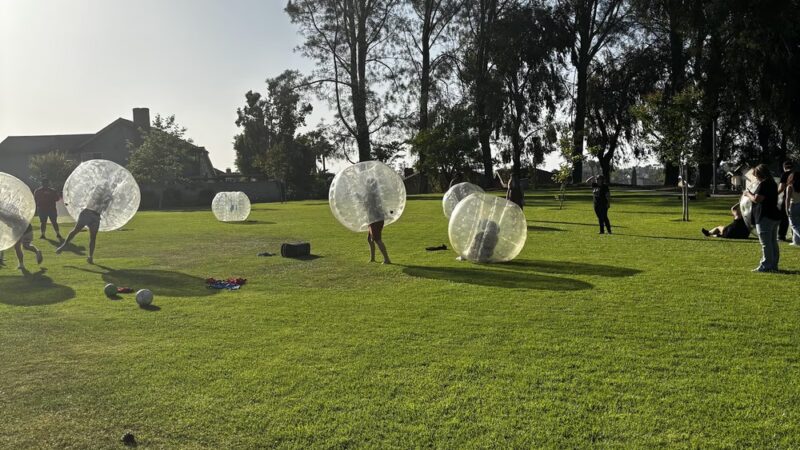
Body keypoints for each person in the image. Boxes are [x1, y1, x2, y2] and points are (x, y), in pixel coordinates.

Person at [55, 186, 113, 264]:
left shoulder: (107, 199)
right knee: (76, 230)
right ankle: (64, 245)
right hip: (87, 213)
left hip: (96, 217)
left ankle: (90, 257)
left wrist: (109, 201)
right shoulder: (95, 194)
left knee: (93, 237)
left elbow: (105, 209)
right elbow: (92, 201)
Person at [744, 164, 782, 272]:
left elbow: (757, 199)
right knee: (772, 242)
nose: (756, 178)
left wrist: (747, 194)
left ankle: (765, 266)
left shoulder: (764, 184)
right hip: (774, 215)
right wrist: (752, 194)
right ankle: (774, 265)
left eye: (756, 176)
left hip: (765, 216)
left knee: (765, 243)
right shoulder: (773, 183)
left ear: (760, 174)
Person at [363, 178, 391, 264]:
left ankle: (387, 259)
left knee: (377, 239)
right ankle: (372, 258)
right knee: (369, 239)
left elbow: (369, 206)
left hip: (375, 220)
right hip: (373, 219)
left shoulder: (371, 195)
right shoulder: (373, 194)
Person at [777, 161, 794, 241]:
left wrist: (774, 194)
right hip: (797, 199)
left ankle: (781, 236)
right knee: (795, 219)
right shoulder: (797, 174)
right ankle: (795, 236)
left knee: (784, 218)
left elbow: (781, 188)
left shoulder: (784, 175)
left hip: (787, 199)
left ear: (784, 167)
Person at [785, 171, 800, 246]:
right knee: (798, 224)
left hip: (794, 205)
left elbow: (787, 199)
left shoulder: (790, 187)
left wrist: (786, 209)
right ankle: (796, 241)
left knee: (794, 225)